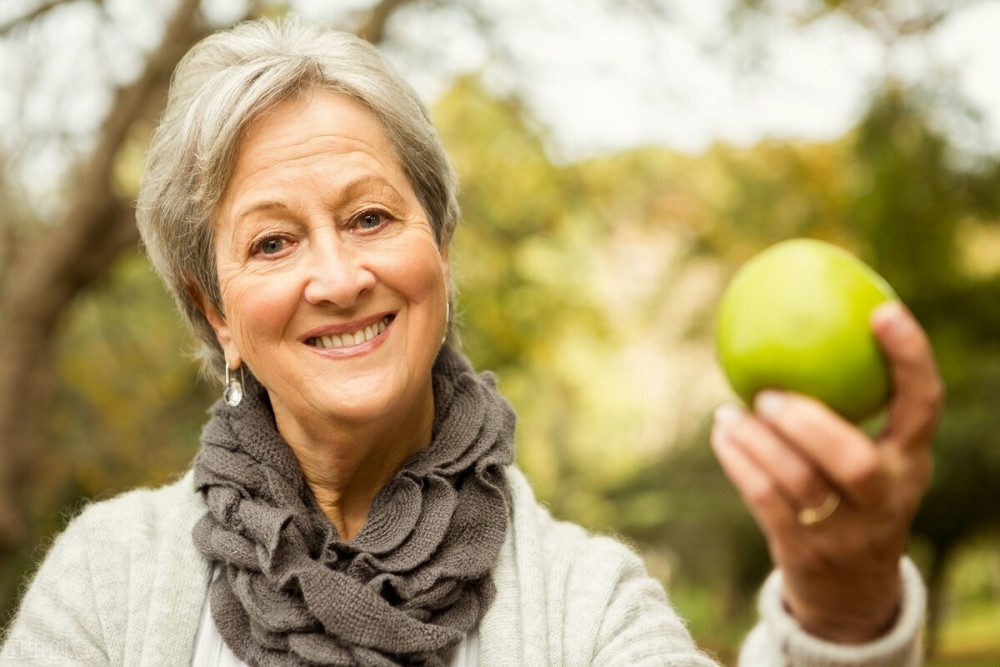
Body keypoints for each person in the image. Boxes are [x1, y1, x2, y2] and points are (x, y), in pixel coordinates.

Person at [0, 15, 942, 667]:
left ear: (439, 252)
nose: (337, 278)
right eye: (274, 241)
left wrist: (845, 610)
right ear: (216, 313)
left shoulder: (586, 601)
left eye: (370, 217)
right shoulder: (111, 580)